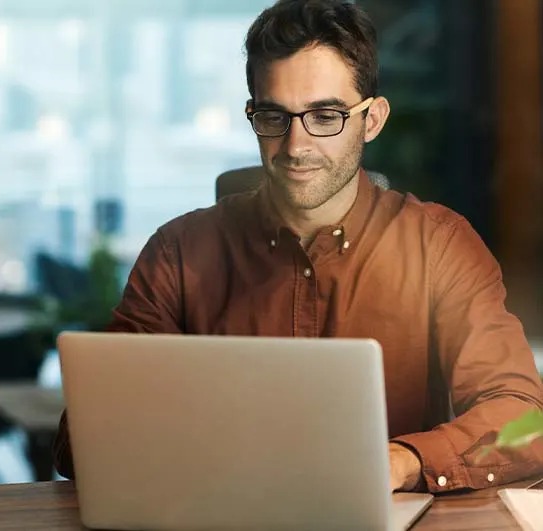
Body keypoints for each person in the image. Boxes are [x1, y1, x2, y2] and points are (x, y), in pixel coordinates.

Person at [52, 0, 543, 493]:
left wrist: (402, 461)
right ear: (253, 115)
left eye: (325, 115)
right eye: (273, 116)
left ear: (371, 120)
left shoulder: (439, 247)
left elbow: (526, 422)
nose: (295, 146)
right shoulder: (179, 254)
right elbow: (84, 439)